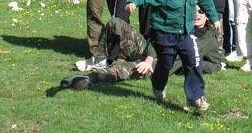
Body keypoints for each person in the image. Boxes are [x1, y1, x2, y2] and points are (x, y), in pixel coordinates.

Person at [125, 0, 222, 111]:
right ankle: (158, 85)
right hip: (164, 35)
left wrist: (214, 19)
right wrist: (133, 1)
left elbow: (206, 0)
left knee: (194, 61)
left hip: (186, 34)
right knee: (165, 64)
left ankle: (196, 97)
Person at [60, 8, 224, 90]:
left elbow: (216, 64)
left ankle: (87, 79)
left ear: (207, 16)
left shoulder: (209, 39)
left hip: (158, 66)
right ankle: (100, 59)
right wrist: (149, 57)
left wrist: (189, 64)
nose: (197, 15)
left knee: (121, 70)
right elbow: (156, 38)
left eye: (201, 12)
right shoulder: (179, 25)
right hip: (147, 50)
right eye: (193, 10)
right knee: (115, 22)